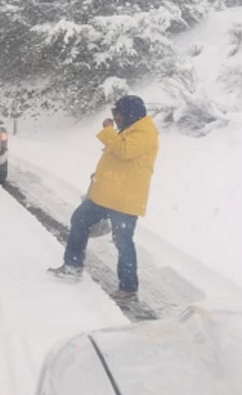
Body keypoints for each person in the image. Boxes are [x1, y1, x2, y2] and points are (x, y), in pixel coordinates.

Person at [48, 95, 159, 300]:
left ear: (129, 113)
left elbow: (124, 151)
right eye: (114, 114)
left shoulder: (146, 131)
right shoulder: (130, 129)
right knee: (79, 219)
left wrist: (108, 131)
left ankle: (128, 288)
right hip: (107, 194)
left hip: (125, 199)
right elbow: (119, 156)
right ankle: (72, 266)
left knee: (123, 241)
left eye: (117, 114)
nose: (115, 118)